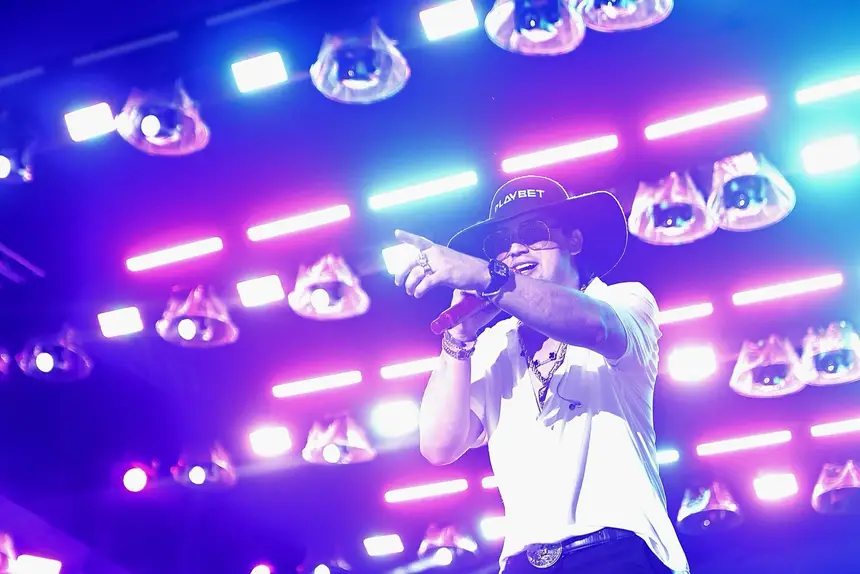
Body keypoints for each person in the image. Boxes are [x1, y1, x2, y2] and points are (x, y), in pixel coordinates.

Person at [392, 175, 690, 573]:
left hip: (619, 549)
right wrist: (459, 338)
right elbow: (439, 446)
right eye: (500, 243)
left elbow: (596, 327)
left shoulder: (622, 300)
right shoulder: (495, 343)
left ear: (574, 241)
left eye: (532, 233)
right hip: (524, 563)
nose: (515, 250)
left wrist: (486, 276)